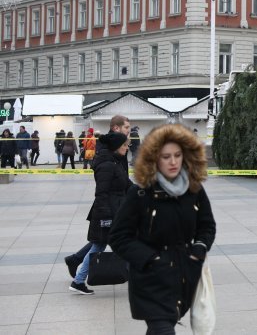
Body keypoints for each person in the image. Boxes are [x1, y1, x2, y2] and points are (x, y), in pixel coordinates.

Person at [109, 124, 216, 334]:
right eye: (166, 156)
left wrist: (200, 248)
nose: (173, 161)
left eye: (178, 155)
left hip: (183, 276)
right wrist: (150, 259)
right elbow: (119, 237)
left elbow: (207, 225)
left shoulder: (193, 189)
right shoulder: (140, 194)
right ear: (154, 158)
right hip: (151, 280)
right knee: (162, 329)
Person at [65, 117, 130, 277]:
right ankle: (79, 272)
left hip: (119, 197)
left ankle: (76, 261)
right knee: (107, 240)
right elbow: (104, 184)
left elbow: (121, 175)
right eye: (126, 127)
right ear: (116, 128)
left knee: (103, 240)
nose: (129, 129)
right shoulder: (109, 147)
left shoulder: (118, 146)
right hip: (111, 201)